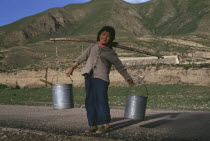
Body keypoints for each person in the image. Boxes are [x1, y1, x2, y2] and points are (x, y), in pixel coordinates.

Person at [66, 26, 135, 133]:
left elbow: (120, 67)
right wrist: (72, 68)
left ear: (111, 39)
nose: (105, 37)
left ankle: (105, 124)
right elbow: (81, 57)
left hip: (101, 79)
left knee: (101, 101)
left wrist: (128, 79)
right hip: (89, 77)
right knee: (89, 101)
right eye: (103, 34)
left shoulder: (111, 53)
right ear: (99, 35)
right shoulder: (93, 46)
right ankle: (92, 124)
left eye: (108, 36)